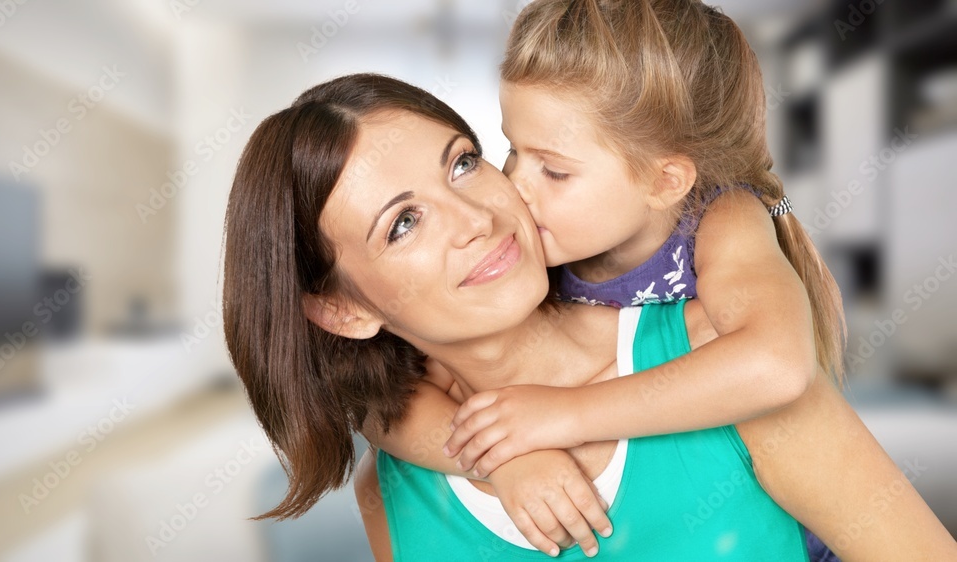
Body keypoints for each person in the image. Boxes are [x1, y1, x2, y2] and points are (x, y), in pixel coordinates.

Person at [221, 73, 957, 560]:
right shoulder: (390, 489)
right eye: (403, 223)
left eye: (462, 163)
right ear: (343, 310)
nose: (476, 217)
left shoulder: (723, 365)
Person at [378, 1, 839, 557]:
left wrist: (564, 416)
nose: (513, 187)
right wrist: (506, 456)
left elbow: (778, 365)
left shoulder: (722, 220)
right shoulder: (532, 251)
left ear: (665, 181)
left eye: (553, 169)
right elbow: (381, 403)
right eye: (510, 150)